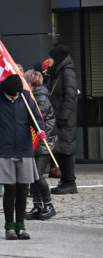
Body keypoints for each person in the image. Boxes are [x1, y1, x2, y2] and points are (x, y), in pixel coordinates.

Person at [0, 74, 47, 240]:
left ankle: (21, 227)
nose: (14, 97)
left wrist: (39, 128)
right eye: (11, 95)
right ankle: (9, 227)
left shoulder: (24, 97)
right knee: (10, 190)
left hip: (24, 149)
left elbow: (35, 117)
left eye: (16, 94)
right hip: (5, 150)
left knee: (23, 190)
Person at [24, 69, 57, 220]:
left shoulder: (40, 99)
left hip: (43, 143)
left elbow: (40, 122)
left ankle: (48, 205)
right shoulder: (32, 97)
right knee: (33, 176)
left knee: (38, 175)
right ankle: (37, 205)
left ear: (30, 83)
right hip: (35, 143)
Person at [46, 45, 78, 194]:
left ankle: (70, 182)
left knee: (66, 149)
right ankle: (65, 181)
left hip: (64, 118)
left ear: (57, 58)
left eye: (51, 57)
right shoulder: (57, 72)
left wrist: (63, 117)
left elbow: (70, 96)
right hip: (58, 116)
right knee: (59, 149)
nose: (48, 60)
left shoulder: (67, 72)